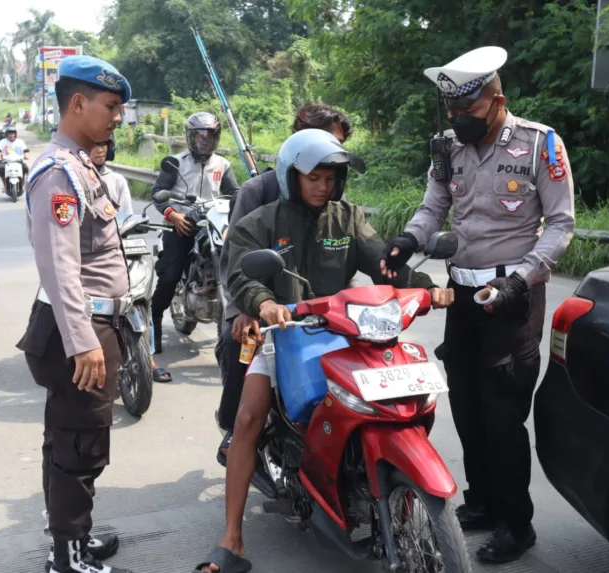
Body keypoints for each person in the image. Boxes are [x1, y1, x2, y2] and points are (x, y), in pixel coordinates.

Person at [195, 129, 455, 573]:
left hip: (345, 330)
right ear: (291, 176)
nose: (323, 186)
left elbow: (383, 263)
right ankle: (231, 540)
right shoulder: (262, 221)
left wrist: (426, 287)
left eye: (331, 178)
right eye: (314, 178)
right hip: (285, 334)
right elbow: (241, 272)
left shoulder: (346, 218)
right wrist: (265, 303)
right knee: (248, 419)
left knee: (386, 400)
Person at [380, 46, 575, 564]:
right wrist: (407, 240)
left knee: (502, 416)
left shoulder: (540, 144)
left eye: (467, 109)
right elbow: (434, 206)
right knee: (467, 407)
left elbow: (561, 224)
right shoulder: (447, 148)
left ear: (497, 102)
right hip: (464, 296)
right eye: (451, 109)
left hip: (513, 297)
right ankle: (483, 502)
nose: (457, 119)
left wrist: (521, 280)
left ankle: (516, 524)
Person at [15, 54, 135, 573]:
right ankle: (69, 556)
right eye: (111, 106)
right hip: (81, 327)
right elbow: (60, 266)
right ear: (78, 103)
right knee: (79, 445)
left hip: (87, 323)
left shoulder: (81, 165)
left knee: (67, 437)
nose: (118, 117)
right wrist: (83, 341)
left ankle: (72, 539)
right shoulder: (60, 174)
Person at [214, 103, 353, 466]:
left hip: (323, 312)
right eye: (320, 143)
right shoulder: (257, 191)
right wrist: (247, 309)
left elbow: (361, 255)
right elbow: (236, 260)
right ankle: (235, 430)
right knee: (240, 345)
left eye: (336, 147)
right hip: (264, 307)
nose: (325, 179)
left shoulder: (337, 201)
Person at [149, 112, 240, 357]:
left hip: (212, 225)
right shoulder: (176, 163)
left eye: (209, 136)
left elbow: (234, 194)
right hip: (182, 225)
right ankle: (154, 320)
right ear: (190, 137)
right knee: (170, 275)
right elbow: (158, 192)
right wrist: (173, 215)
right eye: (199, 136)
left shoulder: (223, 165)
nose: (204, 141)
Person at [90, 137, 172, 383]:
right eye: (93, 144)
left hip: (118, 249)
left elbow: (126, 216)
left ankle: (148, 356)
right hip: (88, 255)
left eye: (104, 144)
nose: (100, 150)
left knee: (140, 298)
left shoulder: (116, 180)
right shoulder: (72, 178)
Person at [0, 125, 30, 192]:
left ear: (15, 134)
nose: (11, 135)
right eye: (9, 133)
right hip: (6, 161)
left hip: (18, 161)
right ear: (7, 134)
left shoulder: (20, 141)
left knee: (26, 169)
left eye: (12, 133)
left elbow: (25, 150)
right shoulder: (3, 142)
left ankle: (23, 185)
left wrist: (26, 155)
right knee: (1, 169)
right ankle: (5, 186)